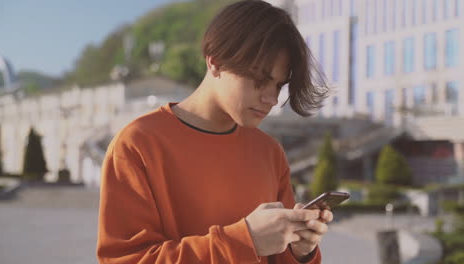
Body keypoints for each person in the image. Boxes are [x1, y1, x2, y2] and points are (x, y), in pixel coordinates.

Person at [96, 0, 332, 263]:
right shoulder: (137, 144)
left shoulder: (269, 152)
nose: (271, 98)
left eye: (278, 85)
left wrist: (301, 251)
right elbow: (126, 260)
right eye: (260, 80)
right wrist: (245, 241)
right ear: (215, 62)